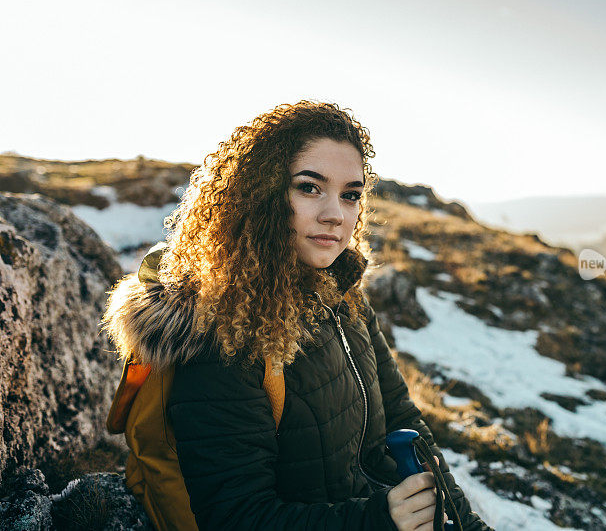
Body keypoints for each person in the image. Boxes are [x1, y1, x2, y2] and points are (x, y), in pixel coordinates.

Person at [103, 100, 492, 530]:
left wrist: (465, 522)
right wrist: (380, 521)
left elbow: (404, 421)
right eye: (309, 187)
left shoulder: (341, 295)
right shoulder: (222, 334)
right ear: (260, 195)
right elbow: (237, 517)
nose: (335, 215)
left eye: (351, 195)